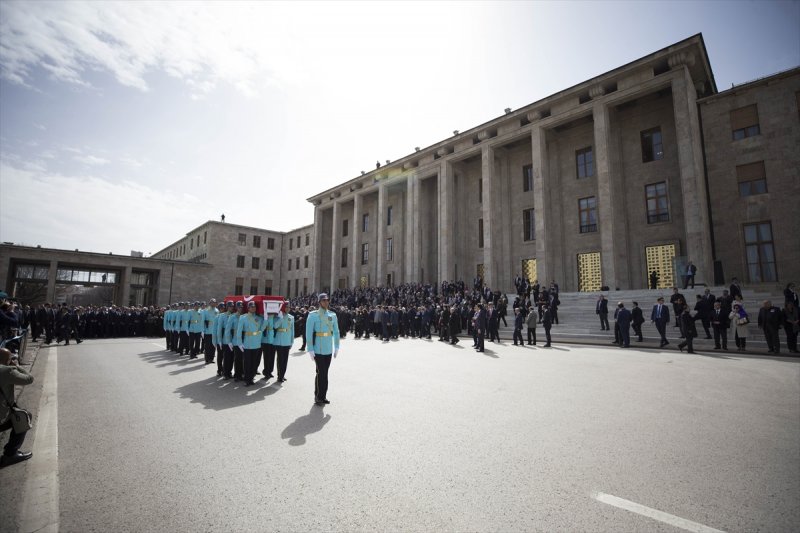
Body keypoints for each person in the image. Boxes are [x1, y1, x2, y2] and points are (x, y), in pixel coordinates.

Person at [0, 347, 33, 468]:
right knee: (24, 416)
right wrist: (15, 365)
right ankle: (10, 454)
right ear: (7, 360)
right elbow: (29, 379)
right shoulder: (7, 371)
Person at [306, 293, 340, 406]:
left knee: (323, 373)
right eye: (324, 300)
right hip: (318, 349)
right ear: (319, 302)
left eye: (327, 300)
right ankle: (319, 396)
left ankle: (321, 395)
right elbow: (309, 333)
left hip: (328, 349)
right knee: (322, 373)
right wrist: (310, 349)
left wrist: (337, 346)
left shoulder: (333, 315)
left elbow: (336, 331)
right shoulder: (313, 315)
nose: (326, 302)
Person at [237, 301, 264, 386]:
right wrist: (239, 343)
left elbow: (262, 328)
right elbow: (239, 331)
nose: (253, 308)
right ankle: (247, 379)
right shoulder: (243, 317)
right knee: (247, 362)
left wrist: (266, 319)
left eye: (254, 307)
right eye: (251, 307)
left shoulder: (259, 318)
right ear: (248, 308)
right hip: (247, 342)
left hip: (256, 342)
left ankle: (251, 378)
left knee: (254, 362)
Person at [272, 303, 294, 382]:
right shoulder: (278, 316)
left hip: (287, 341)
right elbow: (275, 326)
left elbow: (292, 330)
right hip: (279, 341)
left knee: (285, 359)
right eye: (286, 307)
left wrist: (292, 341)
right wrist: (280, 318)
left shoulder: (291, 317)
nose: (288, 309)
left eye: (289, 307)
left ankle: (282, 374)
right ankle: (279, 375)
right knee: (280, 359)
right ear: (283, 308)